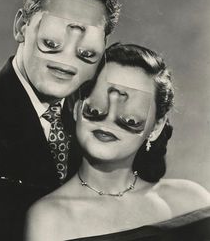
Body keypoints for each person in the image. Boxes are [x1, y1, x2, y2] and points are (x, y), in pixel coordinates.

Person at [0, 0, 120, 240]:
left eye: (86, 53)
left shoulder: (92, 120)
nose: (65, 62)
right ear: (21, 26)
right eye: (51, 42)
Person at [25, 43, 210, 241]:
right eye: (97, 107)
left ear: (156, 127)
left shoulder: (190, 202)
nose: (109, 120)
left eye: (130, 117)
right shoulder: (49, 218)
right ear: (77, 108)